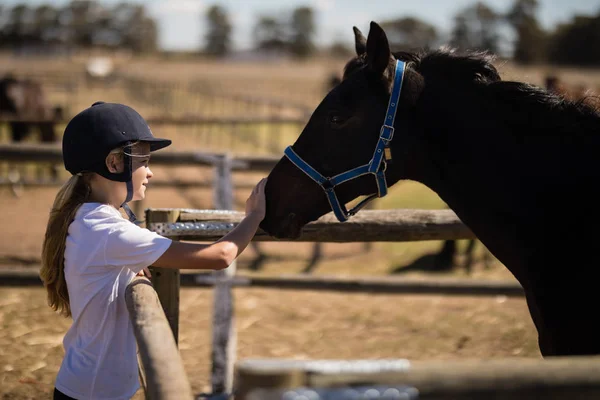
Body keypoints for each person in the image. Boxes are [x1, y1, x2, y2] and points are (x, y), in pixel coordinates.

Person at [39, 101, 267, 400]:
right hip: (94, 392)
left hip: (86, 385)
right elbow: (220, 256)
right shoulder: (108, 230)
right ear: (114, 164)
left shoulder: (90, 218)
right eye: (143, 161)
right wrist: (254, 216)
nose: (150, 173)